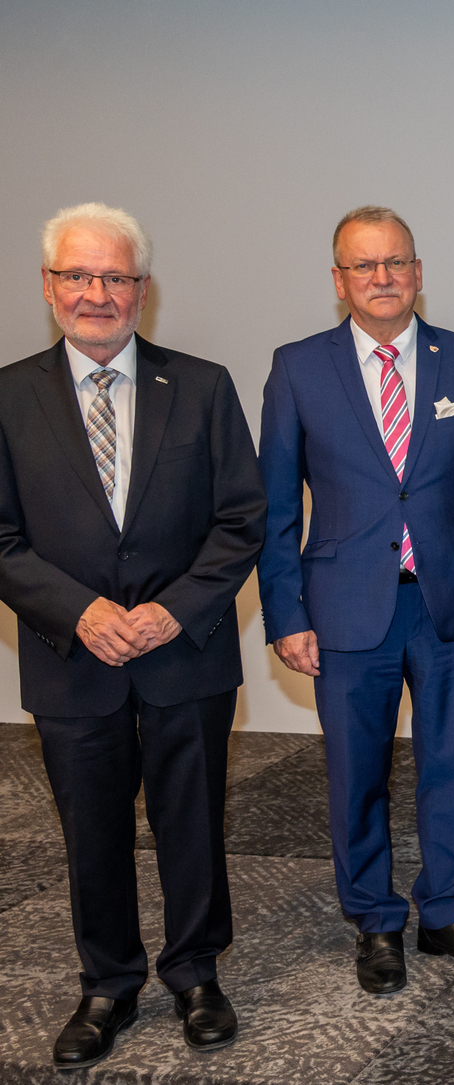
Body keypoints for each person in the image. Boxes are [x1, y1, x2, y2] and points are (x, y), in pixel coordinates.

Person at [0, 203, 265, 1067]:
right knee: (91, 830)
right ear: (48, 286)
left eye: (115, 276)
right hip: (70, 657)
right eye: (78, 275)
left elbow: (241, 518)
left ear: (142, 290)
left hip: (183, 651)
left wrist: (172, 609)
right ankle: (107, 983)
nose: (97, 292)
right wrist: (79, 611)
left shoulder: (203, 386)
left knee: (194, 819)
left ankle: (195, 971)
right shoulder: (8, 396)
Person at [259, 206, 454, 995]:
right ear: (338, 279)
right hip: (344, 608)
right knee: (357, 772)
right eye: (364, 265)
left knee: (450, 764)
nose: (382, 278)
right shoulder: (298, 368)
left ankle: (443, 910)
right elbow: (275, 506)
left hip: (448, 602)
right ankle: (375, 919)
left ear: (417, 272)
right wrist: (286, 613)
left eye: (395, 262)